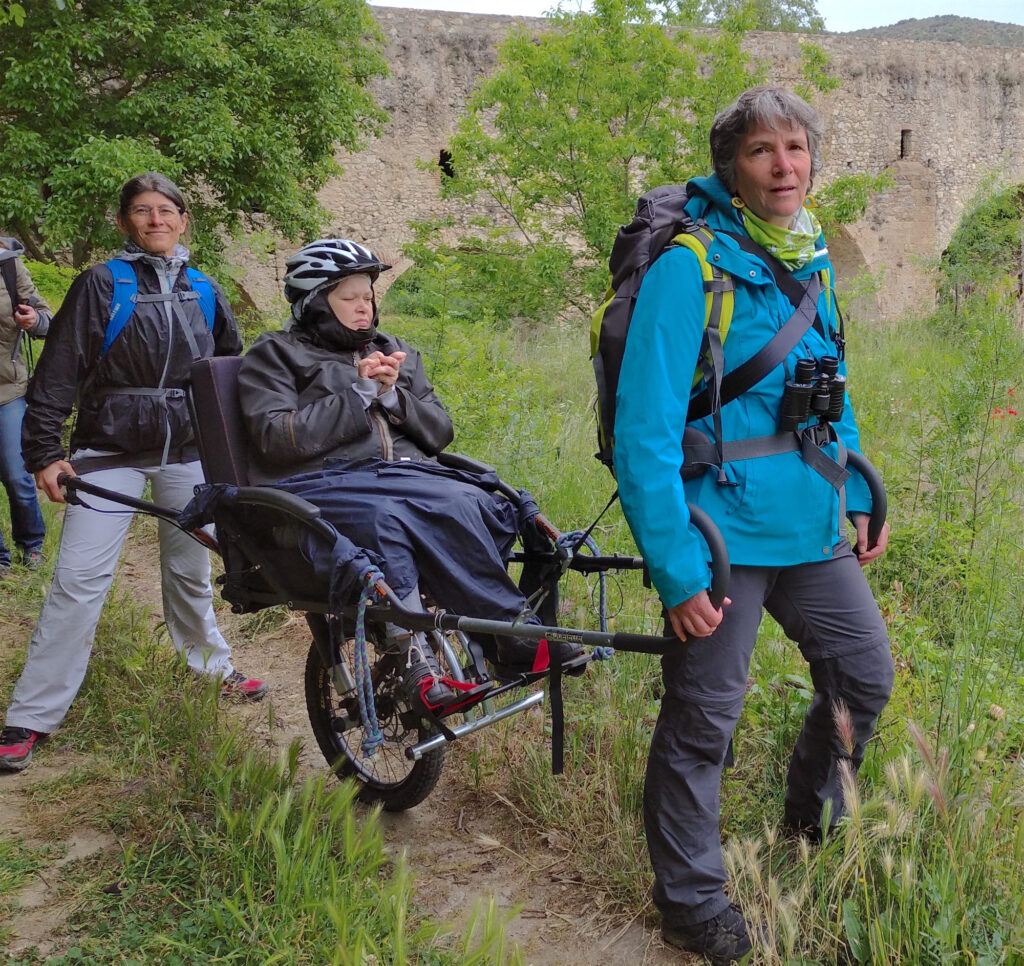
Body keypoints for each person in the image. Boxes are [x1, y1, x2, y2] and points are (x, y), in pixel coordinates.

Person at [613, 88, 895, 964]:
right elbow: (644, 435)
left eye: (797, 149)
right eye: (763, 151)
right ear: (731, 167)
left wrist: (854, 493)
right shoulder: (688, 269)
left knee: (864, 679)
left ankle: (804, 831)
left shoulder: (813, 264)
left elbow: (830, 397)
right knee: (705, 720)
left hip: (810, 526)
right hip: (719, 537)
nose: (784, 166)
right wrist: (677, 569)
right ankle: (692, 903)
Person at [237, 238, 580, 714]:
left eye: (367, 296)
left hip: (402, 476)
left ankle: (507, 634)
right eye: (348, 298)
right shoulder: (275, 354)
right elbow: (276, 437)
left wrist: (394, 398)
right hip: (322, 483)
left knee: (476, 500)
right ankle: (413, 657)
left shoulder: (393, 351)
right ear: (315, 303)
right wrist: (357, 395)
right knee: (389, 517)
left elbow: (440, 433)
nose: (364, 307)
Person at [0, 173, 266, 774]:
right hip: (106, 450)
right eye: (142, 212)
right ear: (124, 223)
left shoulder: (203, 288)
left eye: (166, 211)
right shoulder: (101, 284)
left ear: (182, 221)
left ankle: (210, 668)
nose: (155, 221)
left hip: (188, 451)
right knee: (78, 580)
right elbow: (59, 371)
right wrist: (45, 453)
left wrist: (242, 457)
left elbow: (231, 374)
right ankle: (32, 715)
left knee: (191, 569)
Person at [0, 238, 50, 576]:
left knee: (18, 476)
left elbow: (44, 316)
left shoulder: (7, 265)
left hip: (8, 390)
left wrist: (34, 320)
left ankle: (31, 545)